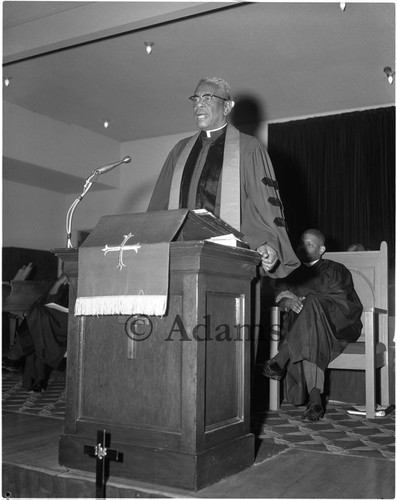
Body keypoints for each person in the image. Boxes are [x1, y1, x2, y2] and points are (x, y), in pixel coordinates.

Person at [147, 76, 299, 278]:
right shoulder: (180, 151)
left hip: (229, 259)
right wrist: (148, 243)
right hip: (180, 257)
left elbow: (262, 205)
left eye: (207, 97)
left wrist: (268, 244)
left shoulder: (248, 148)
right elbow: (159, 206)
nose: (198, 104)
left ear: (227, 107)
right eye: (195, 98)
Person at [263, 229, 363, 421]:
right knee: (312, 330)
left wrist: (307, 301)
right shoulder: (291, 272)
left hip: (337, 326)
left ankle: (281, 358)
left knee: (312, 305)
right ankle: (315, 401)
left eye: (309, 244)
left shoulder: (336, 269)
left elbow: (344, 302)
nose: (303, 247)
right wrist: (288, 302)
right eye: (301, 244)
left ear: (322, 249)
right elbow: (280, 297)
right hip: (306, 329)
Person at [6, 275, 69, 392]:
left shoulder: (82, 284)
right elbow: (49, 300)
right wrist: (59, 283)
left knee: (36, 316)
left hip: (69, 323)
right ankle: (39, 379)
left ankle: (16, 352)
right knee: (38, 323)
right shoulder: (65, 285)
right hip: (52, 323)